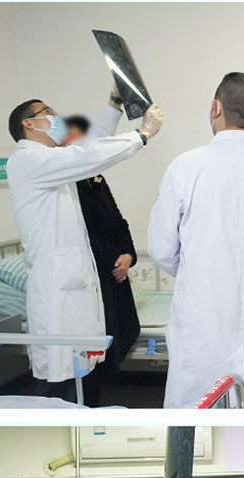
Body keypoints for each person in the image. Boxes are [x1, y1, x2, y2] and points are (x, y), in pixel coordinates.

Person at [147, 72, 244, 409]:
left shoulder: (184, 168)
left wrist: (201, 271)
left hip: (204, 321)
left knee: (202, 418)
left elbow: (162, 251)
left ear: (215, 108)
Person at [6, 87, 163, 401]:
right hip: (56, 294)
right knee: (58, 384)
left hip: (76, 289)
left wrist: (115, 104)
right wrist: (142, 134)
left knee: (82, 377)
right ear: (28, 123)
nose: (57, 118)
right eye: (48, 112)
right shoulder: (28, 160)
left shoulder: (53, 161)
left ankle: (85, 417)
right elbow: (87, 155)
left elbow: (91, 146)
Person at [61, 115, 141, 407]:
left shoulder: (95, 179)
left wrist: (128, 255)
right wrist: (113, 260)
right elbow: (78, 236)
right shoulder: (66, 185)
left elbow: (118, 221)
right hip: (93, 273)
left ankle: (93, 406)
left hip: (112, 272)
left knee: (103, 354)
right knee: (90, 359)